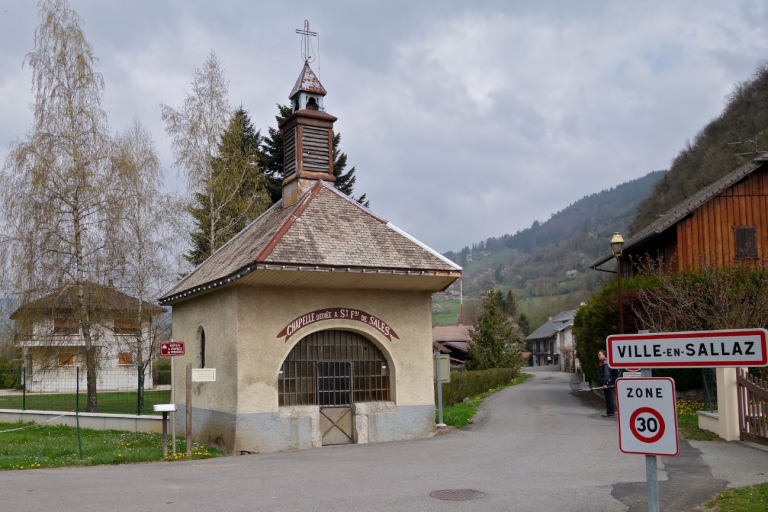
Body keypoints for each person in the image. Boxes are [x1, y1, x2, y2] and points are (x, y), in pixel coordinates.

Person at [598, 350, 615, 417]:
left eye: (599, 354)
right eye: (598, 354)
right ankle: (609, 412)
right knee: (607, 397)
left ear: (604, 355)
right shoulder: (603, 362)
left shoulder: (605, 362)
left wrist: (606, 383)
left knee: (609, 397)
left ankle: (611, 413)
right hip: (607, 381)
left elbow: (606, 373)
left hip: (608, 382)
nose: (598, 356)